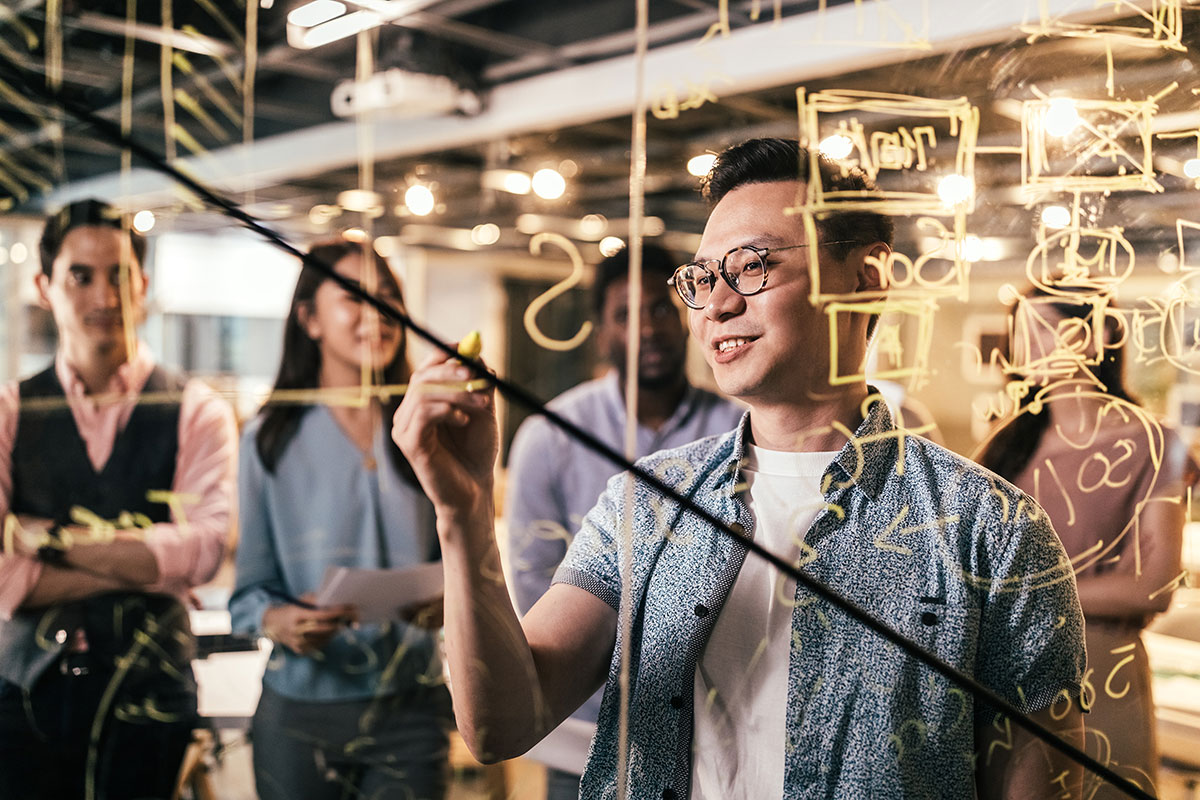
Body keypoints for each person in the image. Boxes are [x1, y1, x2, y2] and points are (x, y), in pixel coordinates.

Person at [391, 138, 1087, 799]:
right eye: (702, 277)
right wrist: (463, 513)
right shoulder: (648, 501)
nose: (717, 304)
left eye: (753, 266)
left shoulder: (989, 529)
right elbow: (500, 725)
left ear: (865, 279)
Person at [0, 199, 237, 799]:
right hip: (24, 694)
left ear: (144, 284)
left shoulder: (196, 409)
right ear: (44, 286)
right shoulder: (8, 411)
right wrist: (147, 566)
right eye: (80, 276)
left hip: (153, 695)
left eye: (119, 276)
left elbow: (206, 550)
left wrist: (47, 543)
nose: (105, 297)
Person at [505, 244, 744, 798]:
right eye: (624, 314)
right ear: (600, 331)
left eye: (662, 308)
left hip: (717, 720)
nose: (647, 329)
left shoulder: (740, 426)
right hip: (583, 721)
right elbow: (532, 582)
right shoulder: (551, 435)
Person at [230, 239, 451, 800]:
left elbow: (459, 561)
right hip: (301, 714)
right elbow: (248, 595)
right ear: (309, 319)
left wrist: (448, 600)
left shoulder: (424, 427)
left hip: (411, 709)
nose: (375, 316)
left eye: (387, 298)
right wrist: (277, 621)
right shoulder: (268, 440)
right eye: (353, 298)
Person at [977, 287, 1192, 798]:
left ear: (1095, 336)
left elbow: (1153, 587)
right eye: (1020, 334)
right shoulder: (1005, 443)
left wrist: (1025, 589)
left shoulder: (1153, 443)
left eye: (1043, 330)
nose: (1029, 347)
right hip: (1006, 670)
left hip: (1101, 670)